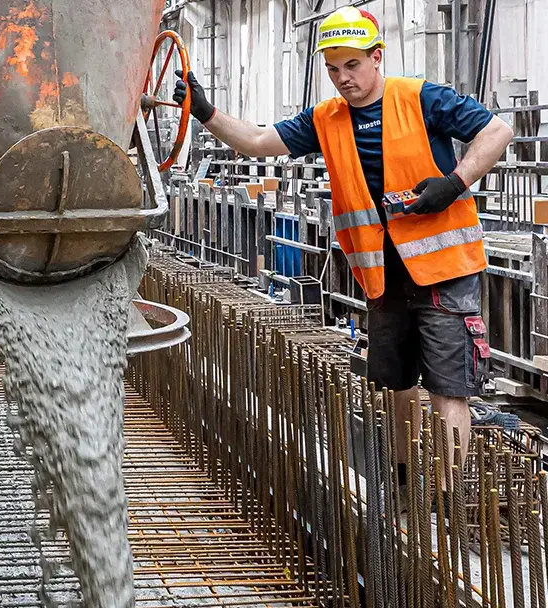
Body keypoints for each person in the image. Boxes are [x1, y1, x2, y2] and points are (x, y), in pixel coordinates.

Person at [174, 8, 514, 481]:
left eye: (352, 65)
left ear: (377, 57)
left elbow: (497, 131)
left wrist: (453, 182)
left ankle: (445, 498)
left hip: (443, 270)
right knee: (398, 384)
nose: (342, 78)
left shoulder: (421, 99)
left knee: (448, 389)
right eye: (333, 68)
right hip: (381, 274)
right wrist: (205, 112)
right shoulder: (326, 119)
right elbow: (255, 141)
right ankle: (404, 482)